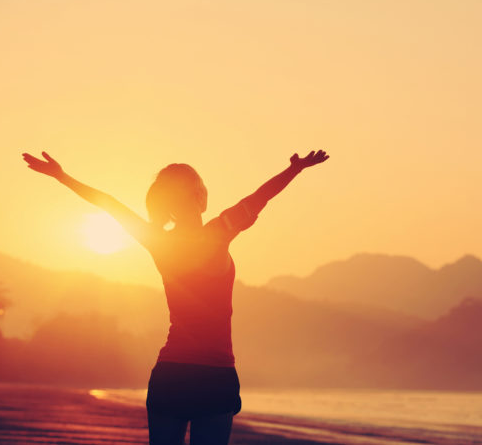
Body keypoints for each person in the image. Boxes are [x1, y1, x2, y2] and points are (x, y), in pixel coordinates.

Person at [21, 149, 330, 444]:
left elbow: (109, 204)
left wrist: (61, 176)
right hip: (215, 376)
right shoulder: (219, 231)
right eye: (200, 187)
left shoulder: (159, 242)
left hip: (172, 375)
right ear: (199, 196)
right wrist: (294, 170)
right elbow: (260, 197)